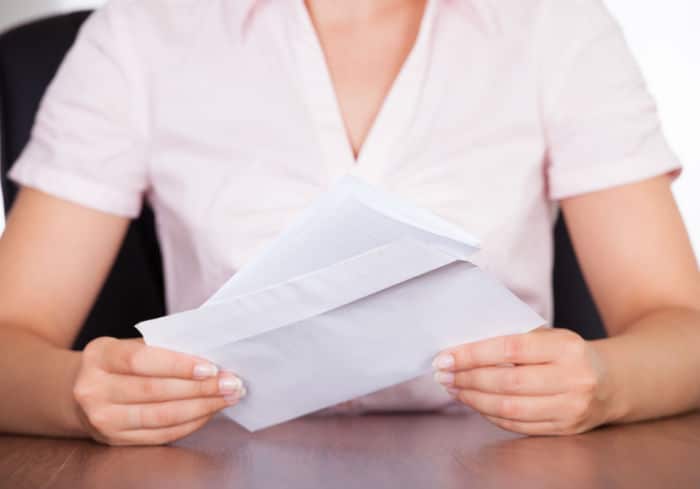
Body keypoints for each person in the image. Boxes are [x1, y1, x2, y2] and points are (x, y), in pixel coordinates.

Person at [0, 0, 698, 447]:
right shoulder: (141, 35)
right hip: (218, 463)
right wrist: (76, 393)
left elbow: (682, 328)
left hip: (503, 460)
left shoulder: (555, 27)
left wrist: (604, 376)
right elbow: (11, 339)